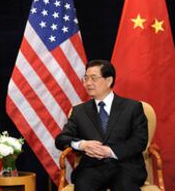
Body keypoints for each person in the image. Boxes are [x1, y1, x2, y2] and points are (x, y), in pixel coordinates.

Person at [55, 59, 148, 191]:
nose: (88, 83)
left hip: (125, 166)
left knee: (125, 185)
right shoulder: (79, 111)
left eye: (93, 78)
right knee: (83, 186)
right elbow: (61, 139)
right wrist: (82, 144)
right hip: (92, 168)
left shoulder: (132, 107)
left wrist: (110, 151)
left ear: (109, 80)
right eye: (86, 78)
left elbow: (140, 141)